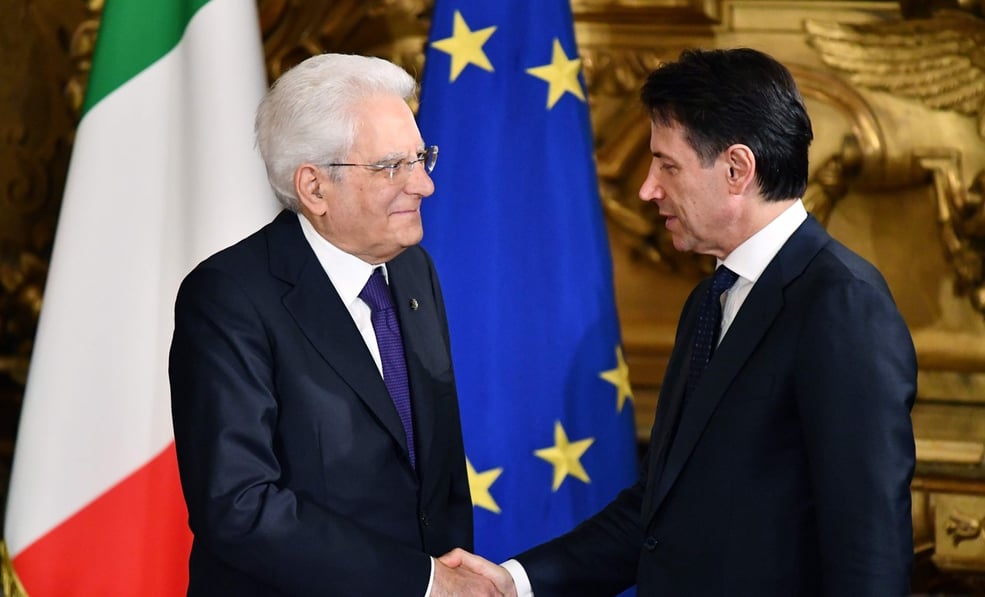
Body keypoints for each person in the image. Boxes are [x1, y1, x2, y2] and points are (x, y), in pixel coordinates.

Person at [443, 47, 917, 596]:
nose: (647, 188)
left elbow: (870, 553)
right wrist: (513, 582)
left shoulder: (842, 304)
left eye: (667, 165)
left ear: (737, 169)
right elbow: (659, 515)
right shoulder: (709, 300)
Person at [169, 53, 502, 596]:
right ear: (314, 188)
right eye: (392, 166)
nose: (424, 186)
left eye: (421, 158)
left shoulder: (412, 269)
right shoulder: (230, 297)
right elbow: (239, 506)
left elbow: (435, 477)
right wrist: (422, 582)